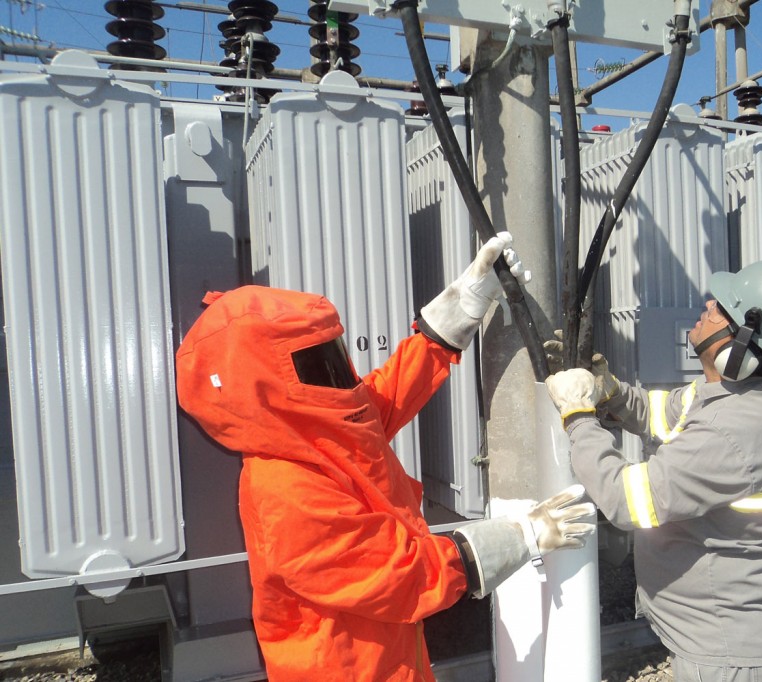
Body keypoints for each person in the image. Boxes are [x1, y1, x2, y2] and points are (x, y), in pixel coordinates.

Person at [175, 232, 595, 682]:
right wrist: (519, 537)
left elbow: (387, 393)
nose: (338, 376)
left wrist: (465, 302)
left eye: (332, 354)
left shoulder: (316, 430)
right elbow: (400, 575)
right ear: (263, 391)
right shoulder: (285, 490)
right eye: (315, 362)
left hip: (388, 658)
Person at [544, 257, 762, 682]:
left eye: (722, 309)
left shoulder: (732, 432)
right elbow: (664, 414)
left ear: (740, 345)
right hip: (735, 637)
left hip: (734, 653)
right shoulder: (733, 395)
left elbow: (626, 500)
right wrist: (610, 392)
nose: (708, 305)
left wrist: (579, 418)